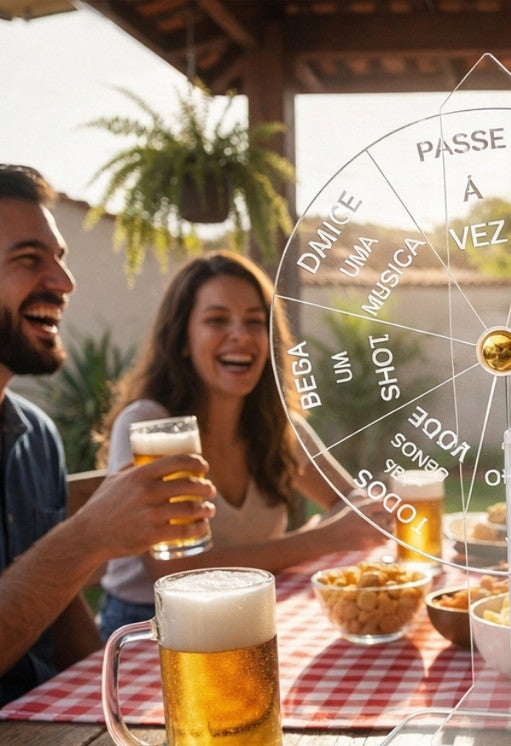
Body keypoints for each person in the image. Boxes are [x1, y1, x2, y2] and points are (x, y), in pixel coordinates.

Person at [0, 164, 216, 704]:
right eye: (30, 260)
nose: (64, 282)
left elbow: (59, 609)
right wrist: (90, 535)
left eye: (61, 260)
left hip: (46, 733)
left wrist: (124, 707)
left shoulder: (36, 435)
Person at [96, 250, 389, 638]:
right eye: (217, 320)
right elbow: (175, 572)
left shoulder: (279, 428)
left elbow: (355, 504)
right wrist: (325, 537)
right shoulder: (152, 425)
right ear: (182, 339)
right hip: (148, 624)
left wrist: (360, 514)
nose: (241, 335)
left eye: (254, 322)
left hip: (249, 613)